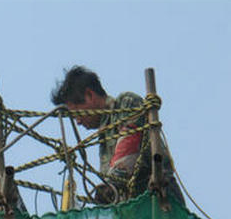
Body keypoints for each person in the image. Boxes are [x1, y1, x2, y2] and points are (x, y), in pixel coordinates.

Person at [51, 65, 184, 205]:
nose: (77, 122)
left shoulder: (126, 103)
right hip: (134, 211)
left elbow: (129, 145)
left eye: (77, 114)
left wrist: (109, 187)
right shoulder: (104, 134)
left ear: (89, 95)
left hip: (160, 200)